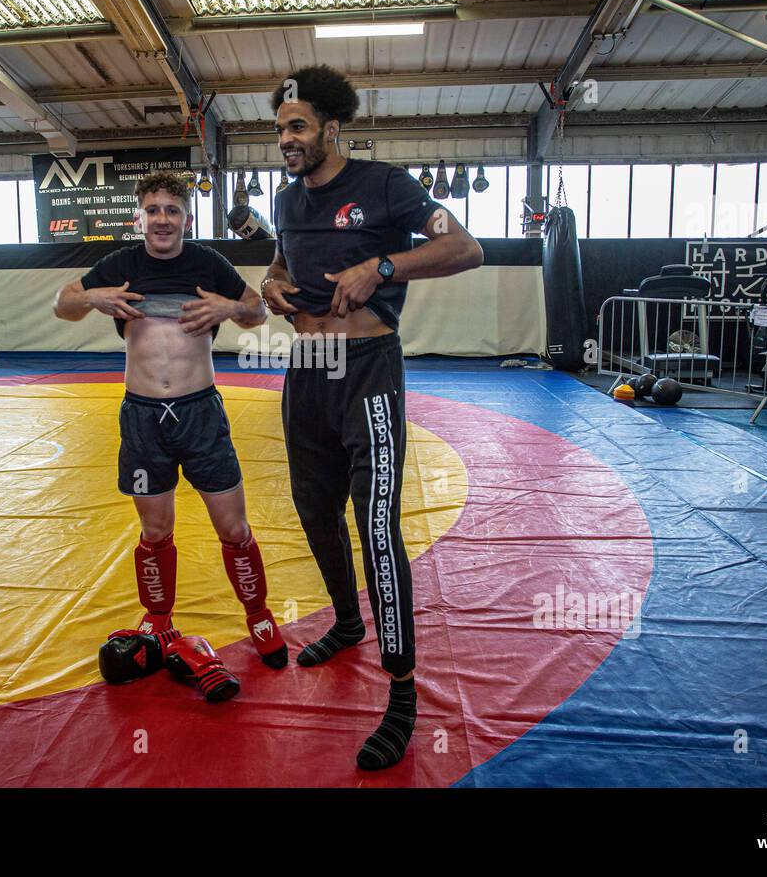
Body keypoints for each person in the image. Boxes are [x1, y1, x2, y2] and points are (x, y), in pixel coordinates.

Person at [261, 65, 484, 770]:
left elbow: (466, 248)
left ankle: (403, 689)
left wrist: (382, 268)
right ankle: (348, 621)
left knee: (376, 526)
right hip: (308, 370)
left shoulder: (388, 186)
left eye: (296, 127)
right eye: (279, 130)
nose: (286, 141)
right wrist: (270, 283)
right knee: (311, 508)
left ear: (332, 128)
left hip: (368, 372)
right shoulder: (287, 198)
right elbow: (281, 258)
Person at [53, 171, 287, 667]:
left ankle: (259, 614)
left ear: (186, 217)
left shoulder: (206, 262)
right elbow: (63, 304)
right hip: (141, 419)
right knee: (155, 531)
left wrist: (227, 307)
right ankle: (158, 617)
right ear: (140, 217)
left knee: (234, 527)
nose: (162, 219)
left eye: (172, 210)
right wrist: (93, 297)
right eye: (153, 210)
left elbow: (257, 311)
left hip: (199, 411)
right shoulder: (120, 264)